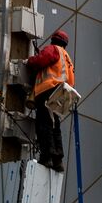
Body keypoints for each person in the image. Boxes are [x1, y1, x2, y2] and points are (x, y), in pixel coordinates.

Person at [26, 29, 74, 171]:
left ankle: (46, 156)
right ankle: (57, 159)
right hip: (60, 94)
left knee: (44, 124)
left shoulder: (53, 49)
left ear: (53, 40)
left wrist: (29, 61)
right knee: (54, 125)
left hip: (48, 91)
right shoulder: (67, 58)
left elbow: (39, 61)